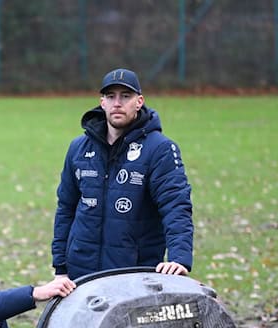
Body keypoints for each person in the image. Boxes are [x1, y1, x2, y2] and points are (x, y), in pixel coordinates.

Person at [51, 68, 193, 281]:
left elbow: (175, 206)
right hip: (81, 273)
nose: (117, 103)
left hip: (134, 273)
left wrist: (179, 258)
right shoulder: (78, 148)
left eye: (125, 96)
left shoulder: (160, 149)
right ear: (102, 102)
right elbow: (65, 208)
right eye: (111, 96)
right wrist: (60, 267)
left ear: (139, 102)